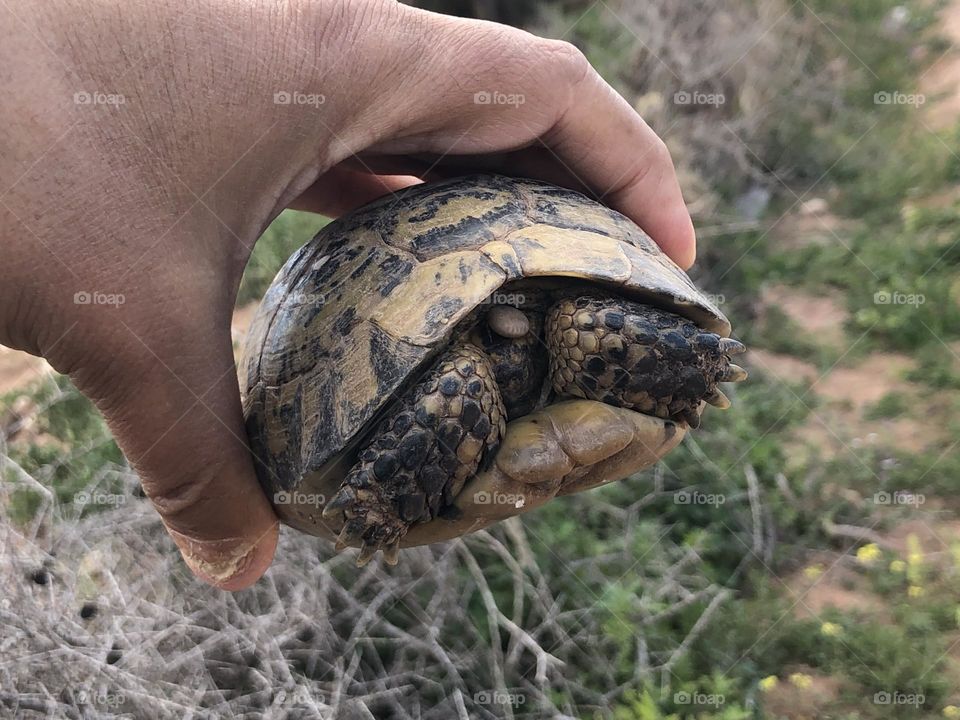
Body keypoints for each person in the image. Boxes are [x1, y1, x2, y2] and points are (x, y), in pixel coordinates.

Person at [0, 0, 696, 589]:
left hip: (553, 277)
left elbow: (637, 333)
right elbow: (463, 377)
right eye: (492, 331)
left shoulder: (568, 321)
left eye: (514, 329)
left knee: (589, 325)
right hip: (396, 404)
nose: (511, 346)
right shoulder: (459, 378)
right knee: (456, 382)